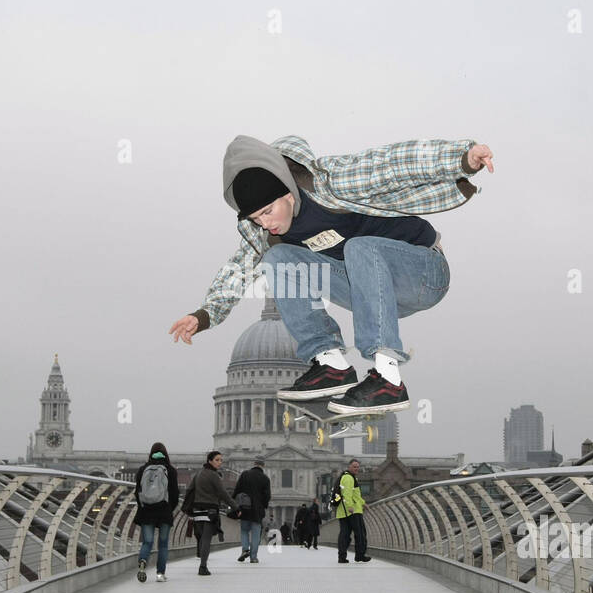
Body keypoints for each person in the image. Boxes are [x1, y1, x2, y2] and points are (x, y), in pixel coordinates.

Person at [169, 135, 493, 414]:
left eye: (268, 211)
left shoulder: (332, 182)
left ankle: (388, 378)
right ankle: (331, 363)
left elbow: (393, 164)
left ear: (287, 193)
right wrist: (205, 314)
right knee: (277, 257)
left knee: (359, 247)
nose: (265, 223)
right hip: (369, 291)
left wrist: (461, 158)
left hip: (423, 274)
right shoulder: (270, 232)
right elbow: (238, 268)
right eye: (256, 218)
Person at [133, 442, 179, 582]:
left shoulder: (143, 469)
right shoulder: (170, 470)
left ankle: (142, 562)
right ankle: (160, 574)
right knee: (163, 544)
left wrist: (143, 506)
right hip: (164, 510)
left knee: (147, 542)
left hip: (147, 510)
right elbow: (175, 494)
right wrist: (169, 508)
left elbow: (137, 492)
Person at [190, 450, 237, 576]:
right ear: (209, 461)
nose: (220, 462)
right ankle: (203, 566)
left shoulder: (198, 474)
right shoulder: (214, 475)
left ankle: (201, 561)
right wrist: (235, 507)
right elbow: (223, 493)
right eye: (217, 460)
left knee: (201, 538)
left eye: (221, 460)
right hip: (210, 510)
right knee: (206, 539)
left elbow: (190, 490)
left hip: (198, 510)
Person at [232, 458, 271, 563]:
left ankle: (245, 549)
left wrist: (234, 503)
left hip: (245, 508)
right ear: (263, 466)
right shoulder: (265, 479)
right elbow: (267, 496)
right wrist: (264, 505)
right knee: (256, 533)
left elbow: (237, 489)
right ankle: (253, 557)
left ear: (254, 464)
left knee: (244, 530)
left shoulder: (245, 474)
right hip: (258, 510)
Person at [336, 459, 370, 563]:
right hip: (353, 511)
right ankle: (360, 555)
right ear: (349, 467)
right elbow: (347, 493)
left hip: (344, 511)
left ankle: (342, 557)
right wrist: (350, 506)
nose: (356, 469)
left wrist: (363, 503)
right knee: (360, 534)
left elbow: (355, 495)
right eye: (354, 466)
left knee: (345, 534)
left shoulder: (348, 477)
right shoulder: (348, 478)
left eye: (357, 467)